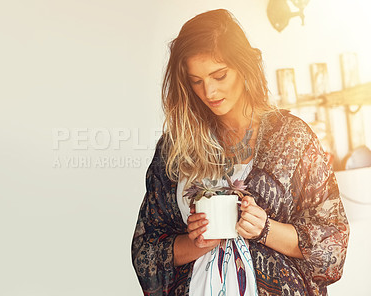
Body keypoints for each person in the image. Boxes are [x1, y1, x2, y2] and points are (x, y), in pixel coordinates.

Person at [131, 9, 349, 296]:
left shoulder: (292, 139)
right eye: (196, 80)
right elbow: (145, 252)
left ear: (244, 67)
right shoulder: (176, 147)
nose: (208, 91)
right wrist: (193, 243)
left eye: (219, 75)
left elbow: (332, 247)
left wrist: (266, 229)